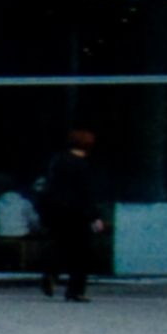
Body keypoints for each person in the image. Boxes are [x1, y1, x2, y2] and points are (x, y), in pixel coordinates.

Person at [38, 128, 109, 302]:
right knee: (81, 252)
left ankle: (51, 273)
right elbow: (86, 194)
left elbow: (48, 188)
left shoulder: (58, 161)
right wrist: (95, 216)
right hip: (77, 213)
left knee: (59, 246)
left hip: (55, 211)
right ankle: (75, 290)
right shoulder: (83, 166)